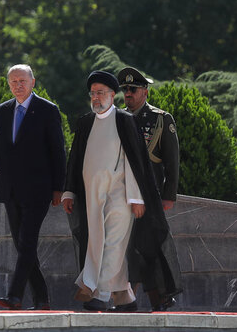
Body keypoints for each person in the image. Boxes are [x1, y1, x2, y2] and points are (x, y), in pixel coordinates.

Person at [62, 70, 171, 312]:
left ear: (113, 95)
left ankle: (100, 293)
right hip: (92, 196)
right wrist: (69, 192)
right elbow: (75, 159)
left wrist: (135, 197)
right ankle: (125, 297)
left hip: (121, 195)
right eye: (93, 94)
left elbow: (135, 162)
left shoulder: (124, 120)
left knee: (113, 244)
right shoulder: (85, 122)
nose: (96, 98)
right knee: (99, 243)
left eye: (101, 93)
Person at [0, 64, 66, 310]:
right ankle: (42, 299)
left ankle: (15, 296)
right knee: (23, 246)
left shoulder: (47, 110)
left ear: (33, 82)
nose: (18, 85)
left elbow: (58, 152)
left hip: (39, 190)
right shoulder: (3, 111)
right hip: (10, 190)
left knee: (28, 242)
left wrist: (58, 188)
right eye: (13, 82)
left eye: (22, 80)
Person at [117, 66, 182, 311]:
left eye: (133, 89)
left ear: (145, 91)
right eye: (125, 90)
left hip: (149, 196)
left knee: (145, 246)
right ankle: (157, 298)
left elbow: (172, 161)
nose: (129, 94)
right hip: (122, 195)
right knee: (134, 247)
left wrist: (169, 195)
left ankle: (132, 298)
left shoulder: (160, 119)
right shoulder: (118, 118)